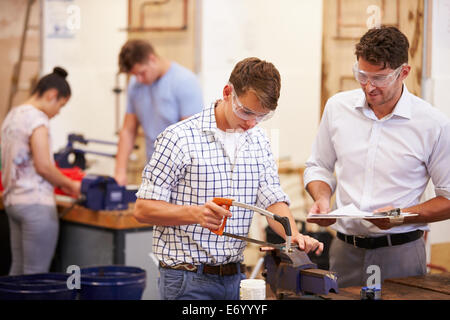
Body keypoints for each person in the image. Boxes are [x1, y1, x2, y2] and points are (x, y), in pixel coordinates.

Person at [133, 57, 324, 300]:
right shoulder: (178, 138)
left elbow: (272, 200)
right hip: (187, 279)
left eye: (262, 116)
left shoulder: (259, 140)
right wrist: (196, 214)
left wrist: (292, 235)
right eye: (245, 111)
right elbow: (143, 209)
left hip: (236, 279)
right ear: (227, 92)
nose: (251, 123)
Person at [304, 26, 450, 288]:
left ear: (403, 72)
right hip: (344, 250)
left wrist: (401, 215)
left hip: (400, 253)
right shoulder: (338, 108)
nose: (369, 87)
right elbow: (319, 166)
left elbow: (449, 198)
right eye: (362, 75)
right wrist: (322, 198)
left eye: (380, 78)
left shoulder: (433, 124)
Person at [1, 67, 81, 275]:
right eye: (61, 105)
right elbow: (44, 166)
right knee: (36, 276)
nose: (58, 112)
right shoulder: (37, 119)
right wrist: (72, 185)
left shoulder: (12, 115)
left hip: (13, 202)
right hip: (35, 204)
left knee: (17, 272)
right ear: (52, 95)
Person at [114, 39, 203, 186]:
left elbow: (192, 138)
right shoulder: (135, 85)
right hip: (153, 170)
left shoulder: (185, 82)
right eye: (135, 75)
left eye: (142, 73)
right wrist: (120, 171)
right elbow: (128, 131)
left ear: (152, 59)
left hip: (182, 175)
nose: (139, 79)